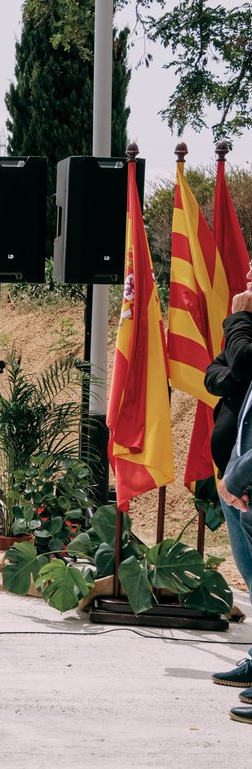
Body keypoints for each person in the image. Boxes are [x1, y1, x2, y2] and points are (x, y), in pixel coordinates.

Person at [211, 279, 252, 724]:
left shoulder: (245, 322)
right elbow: (219, 370)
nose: (246, 286)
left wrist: (239, 320)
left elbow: (240, 358)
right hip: (236, 472)